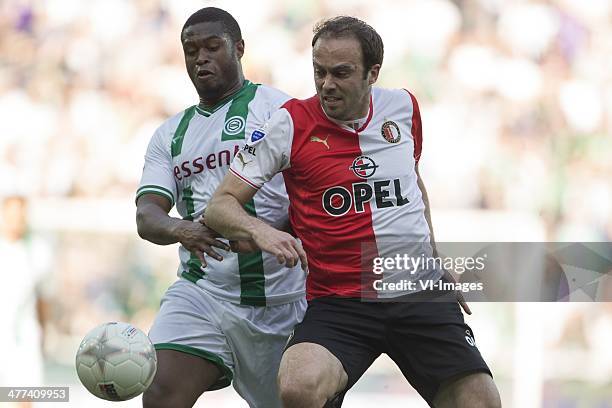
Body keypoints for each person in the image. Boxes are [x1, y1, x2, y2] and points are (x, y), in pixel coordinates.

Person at [205, 16, 502, 408]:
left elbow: (411, 182)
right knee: (298, 385)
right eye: (319, 72)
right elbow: (219, 205)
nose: (327, 84)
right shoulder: (289, 124)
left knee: (481, 401)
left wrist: (434, 253)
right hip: (340, 301)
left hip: (419, 292)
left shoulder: (404, 107)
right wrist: (263, 231)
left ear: (372, 72)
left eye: (341, 73)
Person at [135, 7, 305, 408]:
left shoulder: (282, 111)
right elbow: (147, 214)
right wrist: (181, 229)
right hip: (205, 293)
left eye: (213, 47)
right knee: (160, 394)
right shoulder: (169, 134)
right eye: (191, 49)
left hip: (282, 299)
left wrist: (274, 231)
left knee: (300, 398)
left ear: (239, 48)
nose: (201, 58)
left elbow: (314, 192)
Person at [0, 195, 52, 408]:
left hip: (24, 337)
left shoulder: (37, 251)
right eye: (11, 214)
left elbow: (42, 297)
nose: (17, 219)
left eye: (21, 214)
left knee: (23, 398)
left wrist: (43, 332)